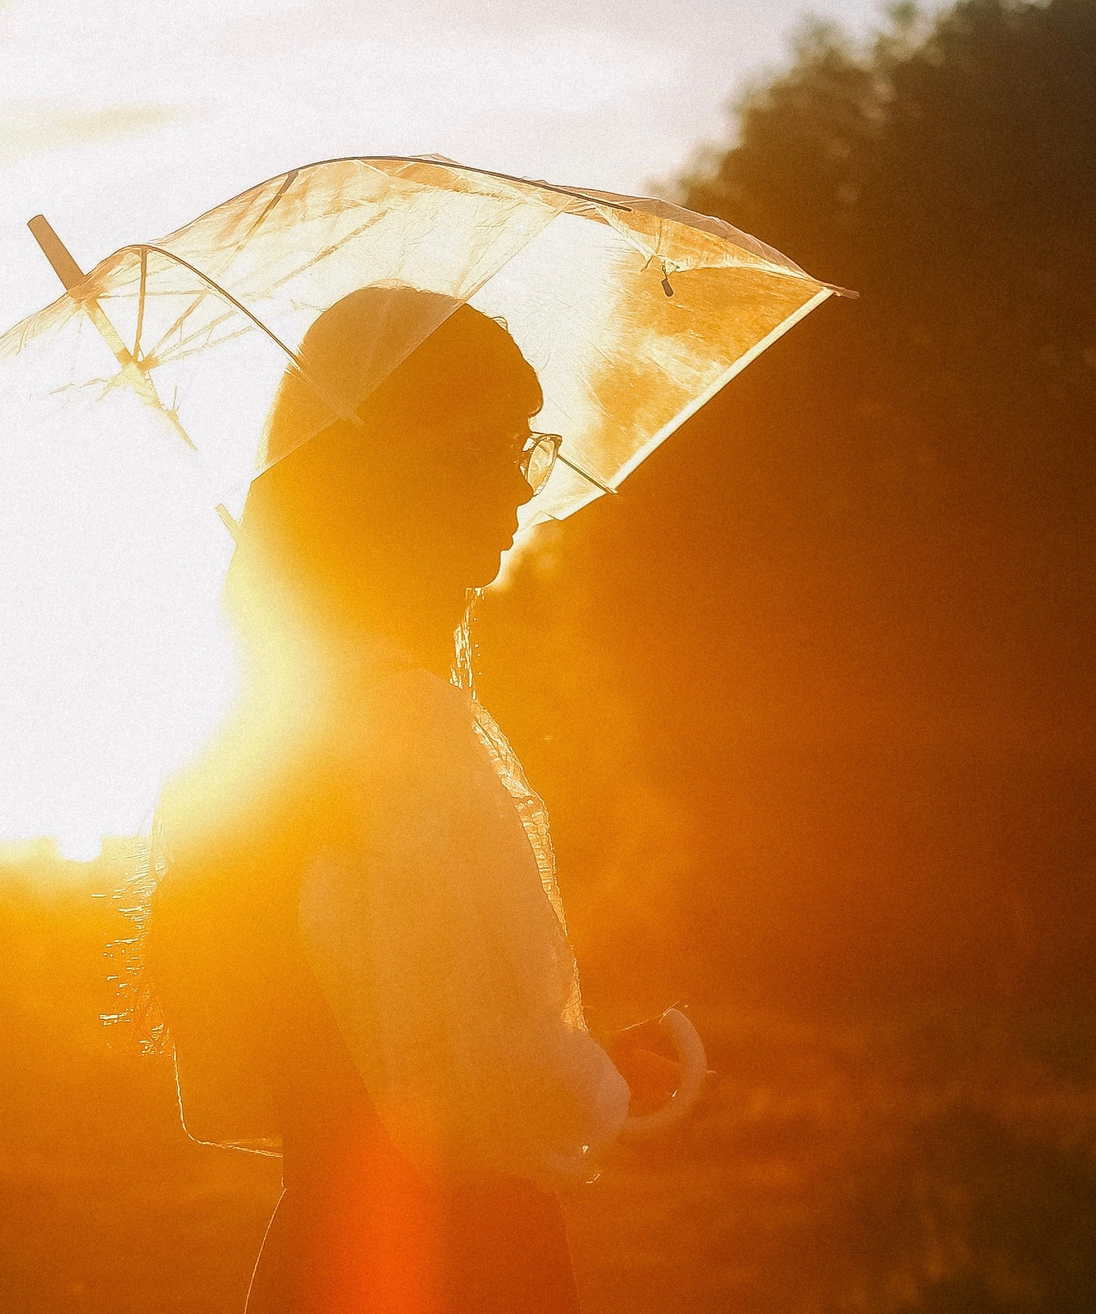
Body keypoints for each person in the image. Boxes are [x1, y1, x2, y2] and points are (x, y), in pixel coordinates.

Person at [143, 285, 694, 1314]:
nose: (521, 492)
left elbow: (265, 1080)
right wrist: (592, 1086)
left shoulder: (249, 748)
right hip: (455, 1270)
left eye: (528, 449)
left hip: (316, 1264)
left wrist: (562, 1059)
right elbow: (483, 1122)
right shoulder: (407, 728)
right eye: (492, 450)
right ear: (392, 471)